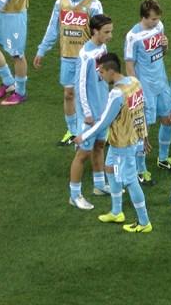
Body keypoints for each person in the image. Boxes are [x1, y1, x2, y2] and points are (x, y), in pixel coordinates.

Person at [75, 53, 152, 233]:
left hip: (123, 144)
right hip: (127, 139)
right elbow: (142, 110)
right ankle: (117, 212)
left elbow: (104, 121)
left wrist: (84, 136)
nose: (100, 76)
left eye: (101, 72)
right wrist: (144, 136)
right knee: (109, 168)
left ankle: (144, 222)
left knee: (130, 181)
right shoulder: (134, 82)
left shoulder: (117, 94)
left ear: (110, 71)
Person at [33, 0, 103, 145]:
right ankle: (72, 132)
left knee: (91, 95)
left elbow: (101, 32)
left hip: (87, 60)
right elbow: (52, 28)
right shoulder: (61, 3)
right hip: (67, 57)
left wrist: (102, 58)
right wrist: (42, 50)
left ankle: (100, 129)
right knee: (69, 95)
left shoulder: (94, 5)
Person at [124, 0, 171, 184]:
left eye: (158, 18)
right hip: (145, 86)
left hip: (161, 82)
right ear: (143, 17)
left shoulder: (159, 27)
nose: (156, 22)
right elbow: (129, 65)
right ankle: (140, 169)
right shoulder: (133, 36)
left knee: (169, 119)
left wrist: (165, 45)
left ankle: (163, 158)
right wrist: (136, 90)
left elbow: (162, 53)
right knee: (142, 128)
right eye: (153, 19)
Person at [67, 15, 113, 209]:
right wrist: (87, 113)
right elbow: (80, 86)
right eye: (106, 32)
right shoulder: (86, 55)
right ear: (95, 31)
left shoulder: (102, 48)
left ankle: (99, 185)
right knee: (83, 154)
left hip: (102, 109)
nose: (110, 35)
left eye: (110, 31)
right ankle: (74, 195)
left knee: (100, 145)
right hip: (90, 114)